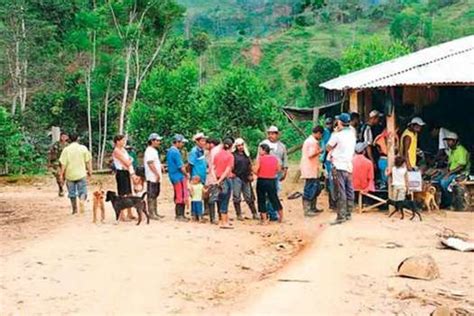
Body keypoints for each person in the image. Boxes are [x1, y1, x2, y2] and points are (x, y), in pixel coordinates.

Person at [326, 113, 357, 225]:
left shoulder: (337, 135)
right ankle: (349, 213)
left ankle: (341, 216)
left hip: (339, 165)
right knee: (349, 189)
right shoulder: (352, 134)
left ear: (340, 122)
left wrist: (335, 132)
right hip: (349, 165)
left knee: (340, 191)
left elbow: (328, 147)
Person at [258, 126, 288, 221]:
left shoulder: (282, 146)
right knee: (265, 196)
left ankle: (273, 213)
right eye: (269, 133)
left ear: (277, 134)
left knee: (274, 194)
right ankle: (266, 214)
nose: (271, 135)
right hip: (264, 175)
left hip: (276, 174)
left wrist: (285, 171)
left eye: (273, 133)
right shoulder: (263, 144)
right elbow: (258, 159)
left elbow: (285, 159)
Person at [59, 133, 92, 215]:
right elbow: (88, 161)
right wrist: (90, 171)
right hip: (81, 173)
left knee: (72, 193)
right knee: (83, 190)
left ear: (69, 139)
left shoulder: (66, 150)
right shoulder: (83, 148)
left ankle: (74, 210)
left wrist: (61, 175)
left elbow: (63, 164)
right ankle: (81, 200)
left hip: (70, 175)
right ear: (78, 139)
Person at [437, 133, 470, 208]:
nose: (448, 143)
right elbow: (450, 165)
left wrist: (448, 174)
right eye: (447, 141)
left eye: (450, 141)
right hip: (452, 172)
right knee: (436, 180)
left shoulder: (461, 150)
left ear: (455, 141)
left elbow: (461, 166)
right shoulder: (452, 150)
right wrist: (444, 172)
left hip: (460, 173)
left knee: (443, 182)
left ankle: (448, 202)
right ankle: (444, 201)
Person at [254, 143, 282, 224]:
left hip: (262, 180)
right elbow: (279, 169)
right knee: (274, 198)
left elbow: (256, 170)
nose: (259, 151)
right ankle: (281, 217)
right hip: (272, 180)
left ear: (263, 150)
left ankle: (264, 219)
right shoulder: (274, 159)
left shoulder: (260, 159)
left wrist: (253, 170)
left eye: (260, 149)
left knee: (261, 199)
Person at [232, 138, 259, 220]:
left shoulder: (246, 155)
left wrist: (251, 174)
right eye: (238, 145)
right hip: (237, 177)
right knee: (236, 196)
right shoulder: (233, 155)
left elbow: (250, 165)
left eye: (241, 145)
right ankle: (238, 214)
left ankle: (254, 213)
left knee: (249, 196)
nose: (240, 147)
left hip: (246, 177)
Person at [300, 126, 324, 217]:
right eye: (321, 134)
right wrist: (319, 151)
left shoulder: (310, 140)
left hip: (311, 168)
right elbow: (311, 154)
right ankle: (307, 209)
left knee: (315, 188)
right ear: (318, 133)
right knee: (310, 188)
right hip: (310, 168)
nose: (321, 136)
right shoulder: (313, 142)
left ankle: (312, 207)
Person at [166, 134, 190, 221]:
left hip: (173, 175)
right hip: (178, 176)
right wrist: (186, 174)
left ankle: (180, 214)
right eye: (181, 142)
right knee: (181, 195)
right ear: (177, 142)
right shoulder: (175, 152)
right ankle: (179, 215)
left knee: (178, 194)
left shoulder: (170, 151)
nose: (182, 144)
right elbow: (180, 166)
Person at [112, 135, 136, 221]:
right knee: (122, 194)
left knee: (129, 193)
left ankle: (130, 213)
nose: (124, 142)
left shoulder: (123, 150)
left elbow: (128, 161)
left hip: (126, 172)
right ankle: (122, 215)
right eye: (122, 140)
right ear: (118, 141)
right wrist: (130, 160)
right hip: (121, 172)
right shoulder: (116, 151)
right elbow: (127, 162)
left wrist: (129, 161)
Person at [213, 138, 235, 229]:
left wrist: (216, 180)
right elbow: (227, 170)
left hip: (218, 178)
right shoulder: (230, 156)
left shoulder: (217, 155)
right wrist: (221, 179)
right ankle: (224, 222)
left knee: (220, 199)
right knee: (225, 200)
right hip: (225, 179)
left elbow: (212, 168)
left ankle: (222, 220)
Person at [144, 133, 164, 220]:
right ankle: (151, 213)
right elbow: (150, 163)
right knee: (151, 194)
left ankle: (155, 212)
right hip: (152, 176)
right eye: (157, 140)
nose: (159, 142)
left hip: (155, 176)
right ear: (152, 141)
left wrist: (160, 166)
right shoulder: (149, 151)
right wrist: (156, 173)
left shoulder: (154, 150)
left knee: (155, 194)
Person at [321, 117, 337, 210]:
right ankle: (332, 203)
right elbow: (327, 148)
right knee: (331, 181)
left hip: (330, 158)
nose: (329, 125)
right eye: (327, 124)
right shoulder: (326, 133)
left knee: (332, 180)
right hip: (328, 159)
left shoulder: (332, 133)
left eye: (330, 123)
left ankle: (333, 202)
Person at [205, 138, 221, 224]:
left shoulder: (213, 151)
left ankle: (213, 218)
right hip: (217, 176)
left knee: (213, 197)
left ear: (211, 144)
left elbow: (212, 166)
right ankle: (219, 216)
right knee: (218, 197)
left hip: (213, 176)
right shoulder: (216, 151)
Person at [48, 132, 69, 197]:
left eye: (65, 137)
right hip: (57, 162)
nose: (63, 138)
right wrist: (49, 163)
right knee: (59, 175)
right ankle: (61, 188)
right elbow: (50, 153)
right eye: (62, 136)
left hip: (65, 163)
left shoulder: (68, 145)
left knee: (65, 176)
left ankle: (63, 187)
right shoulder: (56, 145)